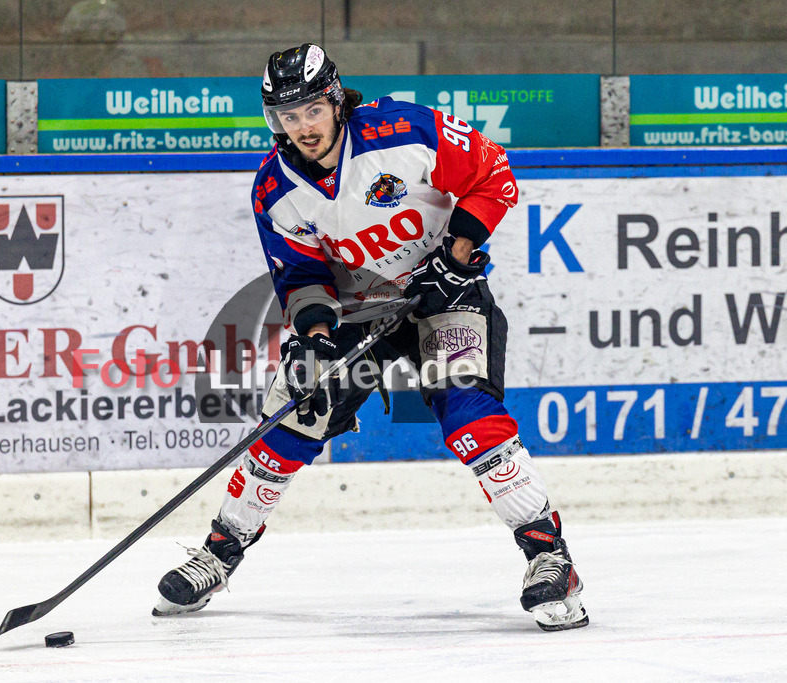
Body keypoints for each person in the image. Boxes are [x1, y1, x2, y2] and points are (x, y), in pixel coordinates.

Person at [153, 43, 588, 631]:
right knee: (292, 419)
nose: (302, 126)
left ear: (336, 101)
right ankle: (219, 553)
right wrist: (313, 340)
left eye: (311, 110)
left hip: (444, 296)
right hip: (358, 314)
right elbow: (301, 276)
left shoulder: (405, 130)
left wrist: (454, 258)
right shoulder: (274, 188)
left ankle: (550, 558)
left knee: (468, 415)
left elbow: (493, 175)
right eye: (287, 116)